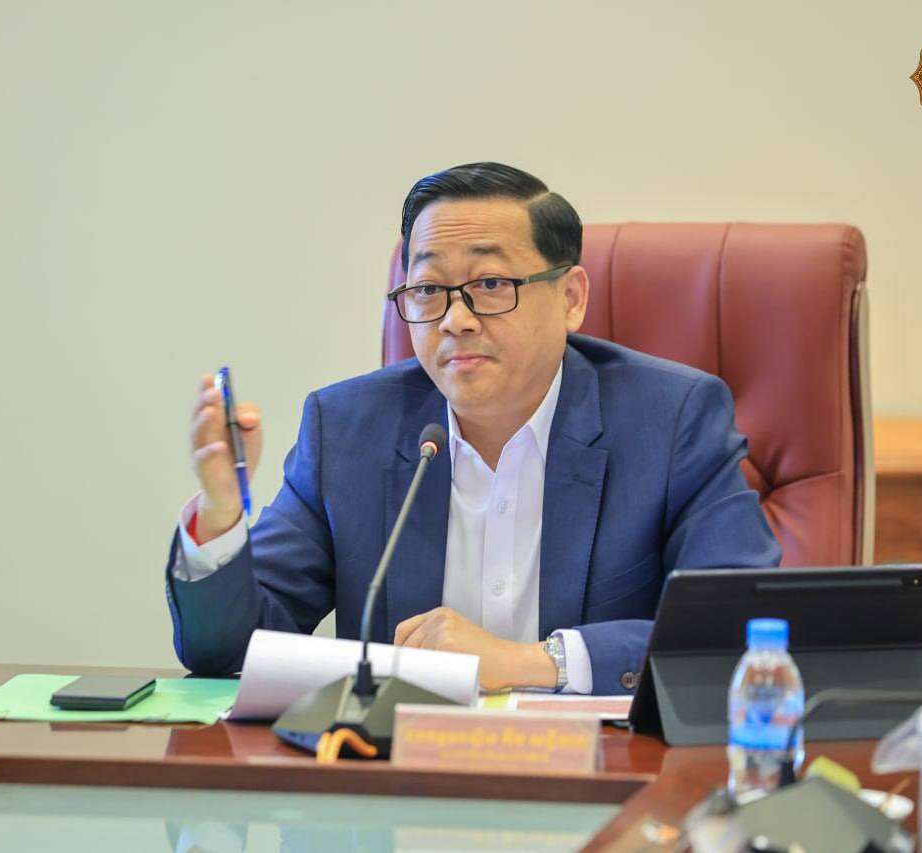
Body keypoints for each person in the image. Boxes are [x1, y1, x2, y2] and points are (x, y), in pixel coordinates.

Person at [167, 162, 780, 694]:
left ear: (571, 298)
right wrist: (220, 517)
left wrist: (531, 663)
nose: (455, 320)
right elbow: (228, 652)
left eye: (490, 284)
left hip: (600, 773)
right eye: (428, 289)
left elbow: (738, 630)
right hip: (401, 777)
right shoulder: (347, 430)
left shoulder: (671, 421)